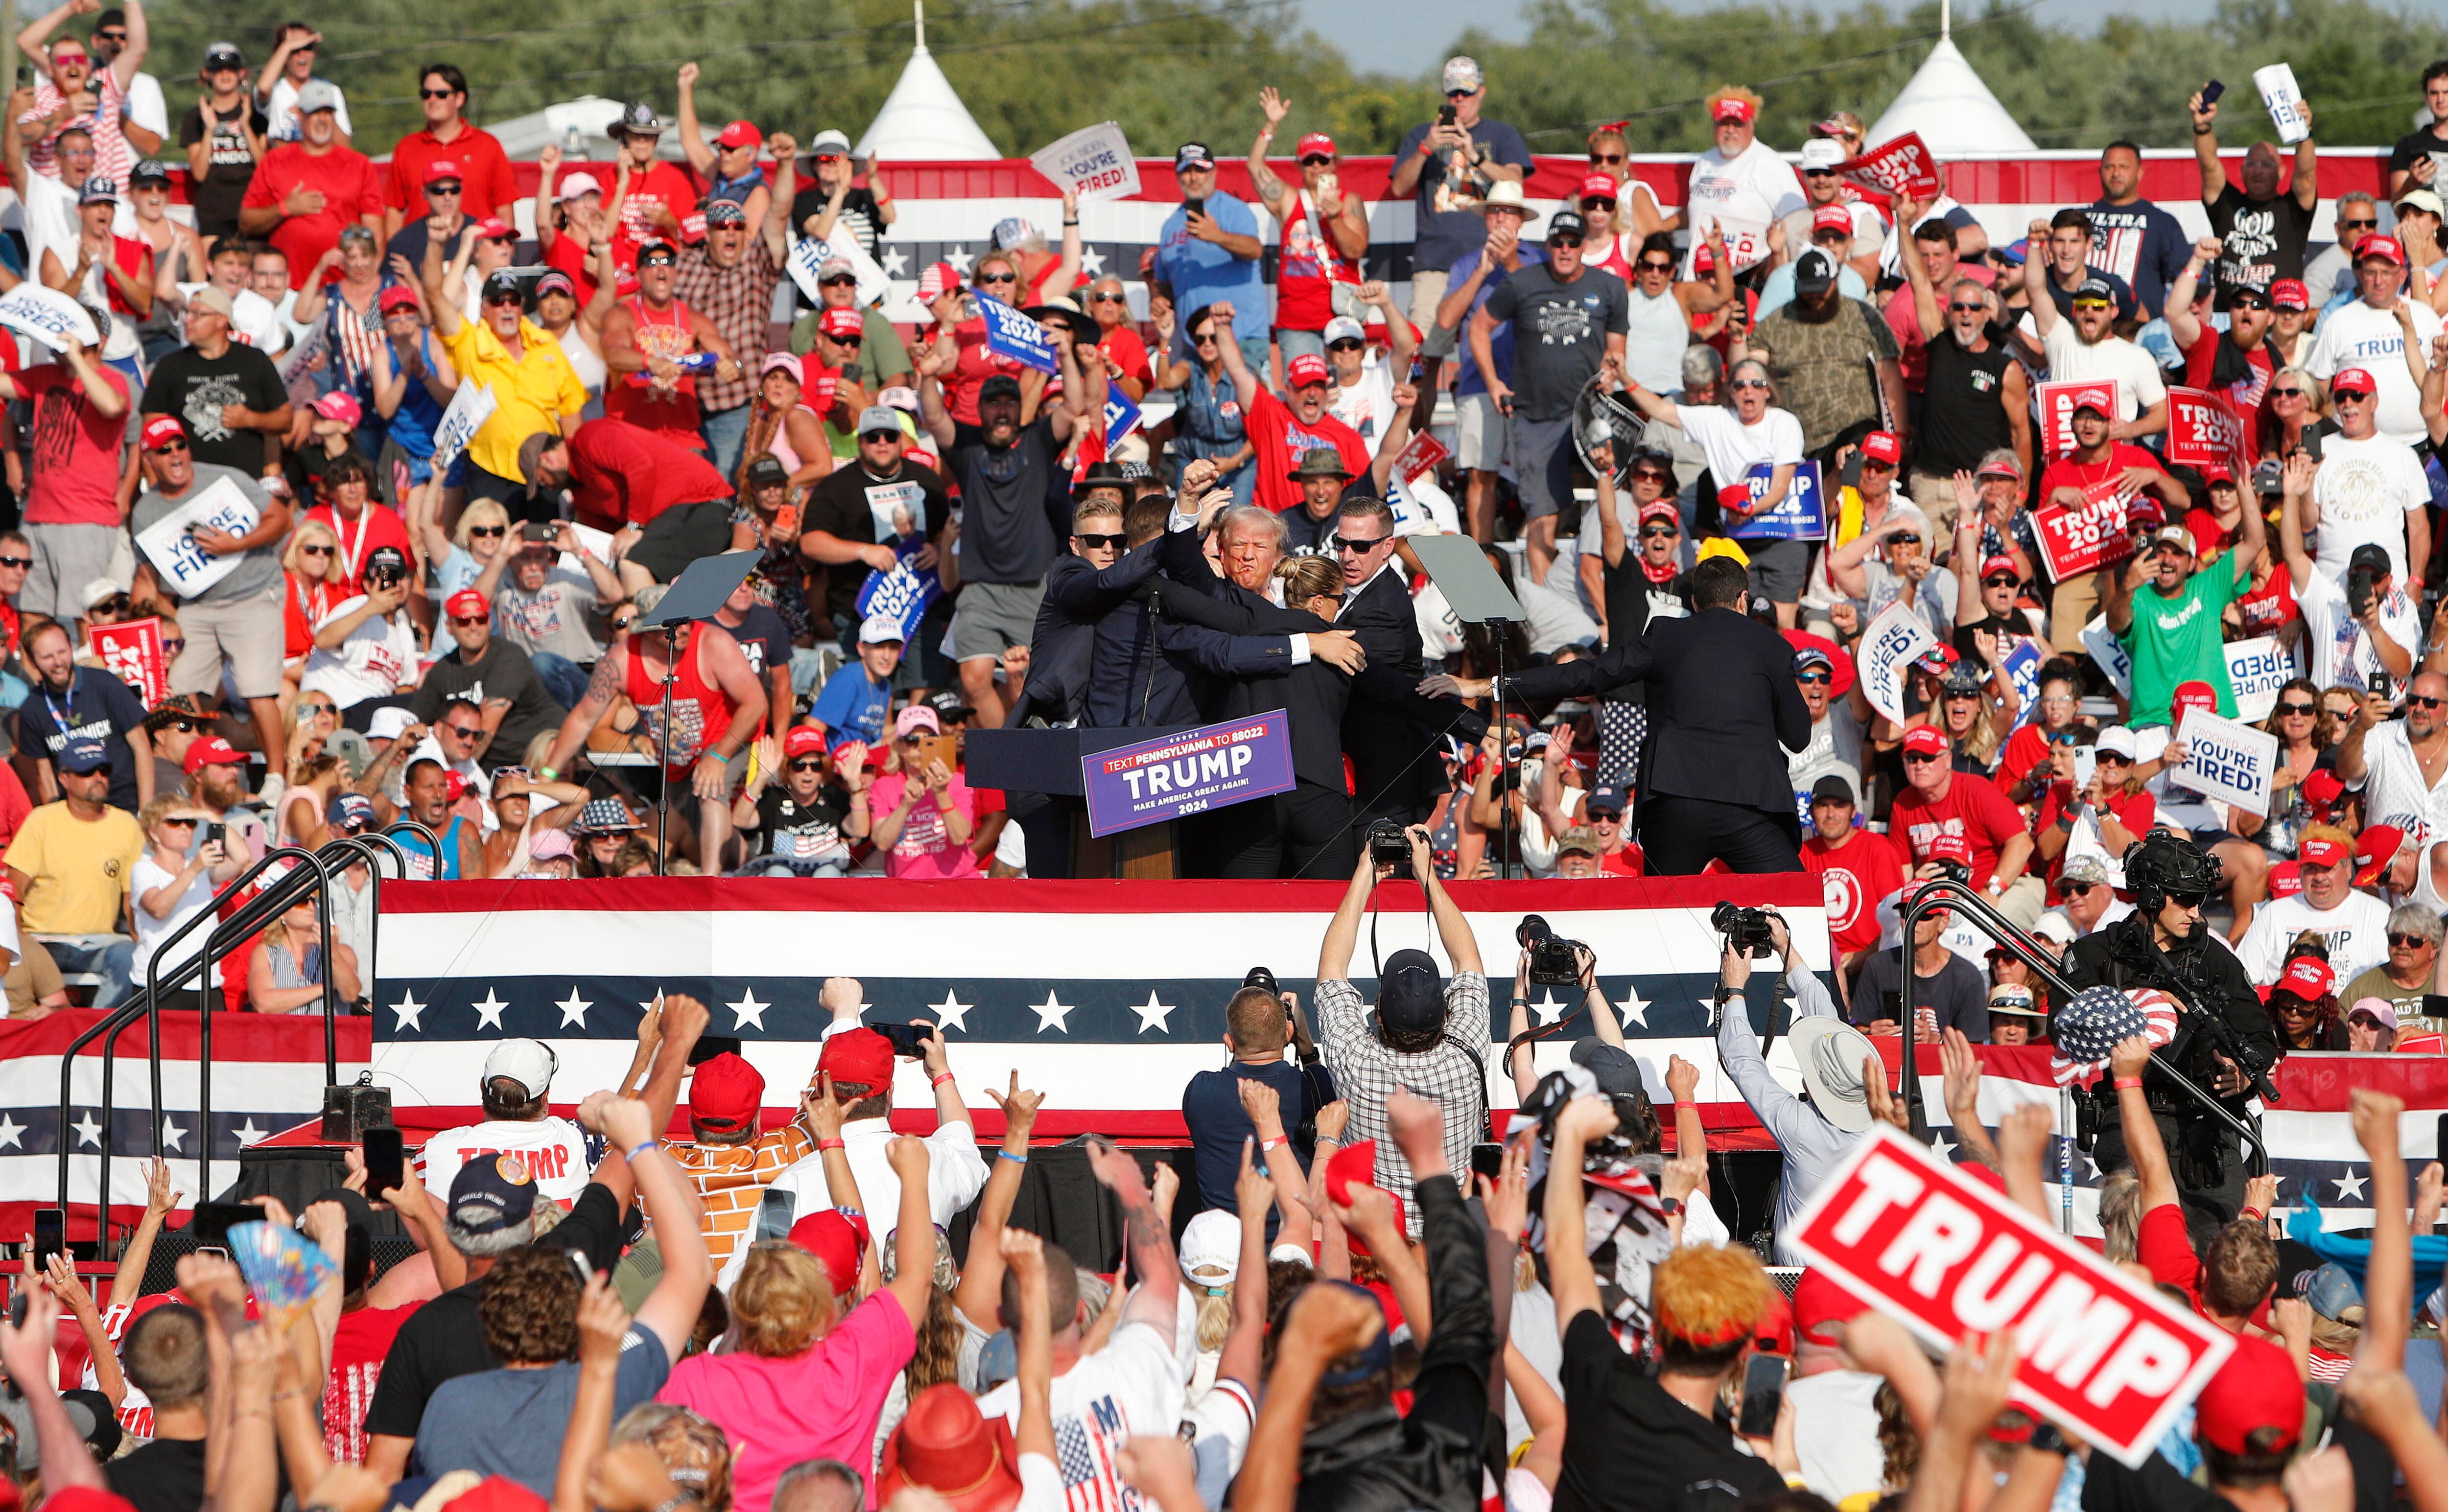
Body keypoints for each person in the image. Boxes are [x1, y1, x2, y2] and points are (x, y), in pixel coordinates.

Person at [1428, 554, 1811, 873]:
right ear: (1743, 600)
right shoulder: (1772, 647)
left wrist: (1487, 685)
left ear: (1695, 602)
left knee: (1663, 922)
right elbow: (1798, 736)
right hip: (1752, 806)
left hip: (1674, 805)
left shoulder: (1665, 636)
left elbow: (1585, 673)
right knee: (1793, 908)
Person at [410, 1094, 711, 1494]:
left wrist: (413, 1202)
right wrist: (638, 1142)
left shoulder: (448, 1403)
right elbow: (692, 1267)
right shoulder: (619, 1375)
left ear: (492, 1317)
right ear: (580, 1311)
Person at [2062, 831, 2278, 1238]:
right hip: (2129, 1114)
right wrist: (2139, 1002)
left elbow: (2260, 1035)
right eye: (2184, 898)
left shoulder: (2216, 958)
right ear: (2151, 897)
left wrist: (2245, 1072)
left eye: (2200, 899)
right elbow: (2068, 1025)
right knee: (2141, 1249)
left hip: (2208, 1120)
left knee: (2219, 1251)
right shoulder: (2094, 954)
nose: (2196, 911)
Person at [1313, 824, 1484, 1226]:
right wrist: (1428, 877)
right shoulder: (1468, 1056)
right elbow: (1469, 961)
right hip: (1449, 1239)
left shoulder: (1357, 1061)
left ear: (1377, 1014)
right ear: (1446, 1012)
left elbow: (1332, 970)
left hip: (1374, 1243)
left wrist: (1364, 875)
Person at [916, 347, 1093, 730]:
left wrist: (1064, 354)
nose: (1002, 410)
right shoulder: (967, 446)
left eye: (1009, 403)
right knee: (974, 679)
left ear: (1019, 408)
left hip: (1035, 586)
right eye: (993, 403)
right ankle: (1006, 754)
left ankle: (1036, 753)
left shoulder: (1038, 440)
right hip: (980, 587)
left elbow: (1073, 405)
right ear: (981, 412)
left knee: (1041, 683)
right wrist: (927, 375)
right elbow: (934, 418)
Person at [539, 582, 768, 874]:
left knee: (711, 792)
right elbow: (584, 718)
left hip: (727, 739)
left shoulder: (713, 644)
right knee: (695, 827)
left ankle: (711, 885)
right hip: (676, 763)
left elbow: (756, 704)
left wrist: (720, 756)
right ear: (648, 628)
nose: (683, 630)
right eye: (673, 625)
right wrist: (547, 774)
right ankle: (744, 851)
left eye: (686, 621)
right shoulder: (621, 660)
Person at [1473, 205, 1627, 577]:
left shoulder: (1609, 287)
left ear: (1583, 245)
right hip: (1536, 415)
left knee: (1614, 505)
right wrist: (1493, 382)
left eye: (1573, 242)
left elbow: (1617, 351)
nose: (1565, 249)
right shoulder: (1521, 283)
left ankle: (1615, 591)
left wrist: (1610, 374)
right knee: (1542, 517)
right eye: (1558, 242)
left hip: (1589, 414)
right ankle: (1544, 609)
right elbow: (1478, 327)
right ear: (1548, 244)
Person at [757, 1023, 989, 1240]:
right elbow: (963, 1145)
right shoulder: (934, 1160)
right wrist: (941, 1073)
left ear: (820, 1093)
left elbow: (754, 1268)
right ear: (890, 1093)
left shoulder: (789, 1182)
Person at [1389, 55, 1530, 396]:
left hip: (1490, 261)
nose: (1459, 101)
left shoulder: (1500, 134)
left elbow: (1516, 181)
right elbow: (1398, 187)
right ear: (1444, 94)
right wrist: (1427, 148)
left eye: (1466, 93)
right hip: (1436, 264)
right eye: (1453, 94)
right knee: (1422, 357)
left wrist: (1476, 156)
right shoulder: (1423, 135)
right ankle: (1417, 443)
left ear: (1481, 93)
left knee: (1498, 345)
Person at [424, 252, 588, 508]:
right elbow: (435, 297)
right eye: (498, 301)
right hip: (490, 472)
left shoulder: (547, 346)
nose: (507, 307)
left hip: (543, 472)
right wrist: (439, 243)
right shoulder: (468, 342)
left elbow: (570, 411)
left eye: (513, 300)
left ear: (523, 306)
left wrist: (577, 473)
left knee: (542, 544)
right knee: (488, 544)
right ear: (484, 308)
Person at [4, 737, 143, 1004]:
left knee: (131, 957)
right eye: (87, 771)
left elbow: (131, 902)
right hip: (44, 941)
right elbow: (15, 891)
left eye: (104, 771)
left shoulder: (126, 825)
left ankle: (97, 1034)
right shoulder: (42, 821)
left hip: (102, 942)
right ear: (64, 779)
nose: (98, 778)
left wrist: (142, 943)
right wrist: (21, 942)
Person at [2107, 506, 2266, 731]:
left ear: (2192, 564)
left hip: (2212, 717)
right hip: (2154, 724)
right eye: (2161, 551)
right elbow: (2115, 625)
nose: (2167, 560)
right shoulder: (2137, 598)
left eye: (2177, 554)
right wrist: (2127, 588)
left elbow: (2255, 542)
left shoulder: (2209, 587)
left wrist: (2242, 482)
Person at [1246, 88, 1366, 364]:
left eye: (1323, 160)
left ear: (1334, 164)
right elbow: (1255, 166)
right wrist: (1272, 124)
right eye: (1309, 160)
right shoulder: (1289, 199)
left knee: (1344, 395)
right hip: (1297, 320)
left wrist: (1335, 217)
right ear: (1300, 165)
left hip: (1341, 316)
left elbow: (1356, 250)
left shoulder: (1350, 202)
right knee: (1304, 394)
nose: (1316, 167)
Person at [139, 284, 292, 480]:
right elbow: (151, 433)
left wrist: (251, 419)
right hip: (189, 485)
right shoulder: (171, 366)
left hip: (246, 483)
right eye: (187, 313)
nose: (187, 320)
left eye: (197, 314)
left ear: (221, 320)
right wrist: (157, 490)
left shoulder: (255, 361)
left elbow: (285, 420)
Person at [2307, 238, 2443, 454]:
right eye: (2371, 272)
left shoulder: (2424, 316)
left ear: (2402, 275)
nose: (2378, 281)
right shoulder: (2339, 320)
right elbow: (2318, 389)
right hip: (2356, 446)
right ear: (2361, 275)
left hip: (2419, 444)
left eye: (2387, 272)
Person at [236, 80, 377, 288]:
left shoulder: (359, 164)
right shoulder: (275, 161)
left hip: (344, 288)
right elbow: (246, 222)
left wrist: (368, 286)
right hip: (288, 289)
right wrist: (286, 208)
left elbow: (375, 234)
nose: (322, 120)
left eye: (328, 113)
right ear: (300, 116)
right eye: (315, 112)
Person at [411, 587, 566, 775]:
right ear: (449, 627)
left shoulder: (509, 657)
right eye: (464, 621)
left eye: (481, 619)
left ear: (490, 622)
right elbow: (413, 722)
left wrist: (454, 778)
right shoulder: (442, 670)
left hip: (536, 760)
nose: (474, 626)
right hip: (488, 765)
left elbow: (485, 728)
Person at [2192, 82, 2320, 293]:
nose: (2258, 171)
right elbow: (2209, 166)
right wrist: (2202, 127)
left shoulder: (2292, 209)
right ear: (2242, 171)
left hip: (2277, 317)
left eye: (2267, 165)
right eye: (2252, 164)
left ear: (2281, 172)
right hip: (2227, 316)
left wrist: (2303, 133)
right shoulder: (2226, 205)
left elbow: (2306, 176)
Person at [16, 619, 151, 810]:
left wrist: (146, 812)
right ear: (32, 661)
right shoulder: (32, 708)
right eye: (47, 657)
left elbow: (142, 747)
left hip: (125, 802)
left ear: (72, 649)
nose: (58, 662)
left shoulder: (105, 684)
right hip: (74, 810)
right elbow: (45, 775)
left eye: (62, 652)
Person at [1682, 85, 1804, 279]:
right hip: (1699, 277)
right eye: (1724, 123)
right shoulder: (1703, 162)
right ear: (1713, 125)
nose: (1731, 131)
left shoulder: (1770, 164)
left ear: (1751, 125)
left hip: (1748, 278)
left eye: (1738, 124)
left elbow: (1798, 220)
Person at [1856, 883, 1990, 1040]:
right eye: (1906, 912)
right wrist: (1870, 1033)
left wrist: (1934, 1042)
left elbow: (1974, 1049)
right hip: (1887, 1062)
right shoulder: (1877, 965)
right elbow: (1859, 1029)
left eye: (1925, 915)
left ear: (1943, 923)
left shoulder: (1968, 977)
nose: (1914, 920)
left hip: (1940, 1064)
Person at [2087, 139, 2193, 318]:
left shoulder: (2162, 222)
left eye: (2124, 167)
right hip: (2087, 326)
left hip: (2140, 332)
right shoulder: (2081, 220)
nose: (2116, 173)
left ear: (2140, 172)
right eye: (2109, 167)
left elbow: (2186, 279)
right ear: (2100, 171)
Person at [245, 888, 358, 1013]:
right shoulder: (266, 952)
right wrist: (326, 988)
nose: (311, 907)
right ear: (282, 912)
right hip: (284, 1032)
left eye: (314, 901)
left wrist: (332, 951)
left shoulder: (342, 951)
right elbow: (263, 1004)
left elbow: (351, 994)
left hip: (328, 1032)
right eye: (302, 902)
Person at [2343, 904, 2444, 1036]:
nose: (2403, 946)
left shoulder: (2444, 982)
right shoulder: (2361, 990)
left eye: (2414, 941)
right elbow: (2336, 1037)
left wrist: (2427, 1038)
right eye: (2396, 939)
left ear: (2434, 949)